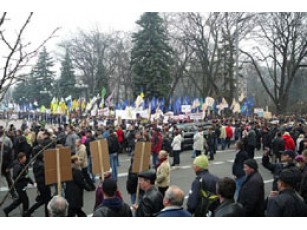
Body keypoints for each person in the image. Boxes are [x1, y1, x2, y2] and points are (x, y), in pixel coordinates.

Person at [3, 152, 34, 217]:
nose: (25, 159)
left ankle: (7, 210)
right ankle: (25, 214)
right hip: (19, 186)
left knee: (20, 200)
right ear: (20, 159)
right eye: (24, 158)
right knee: (25, 200)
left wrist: (31, 182)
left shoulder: (22, 164)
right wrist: (24, 177)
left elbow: (26, 175)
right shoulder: (17, 166)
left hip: (22, 185)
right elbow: (15, 176)